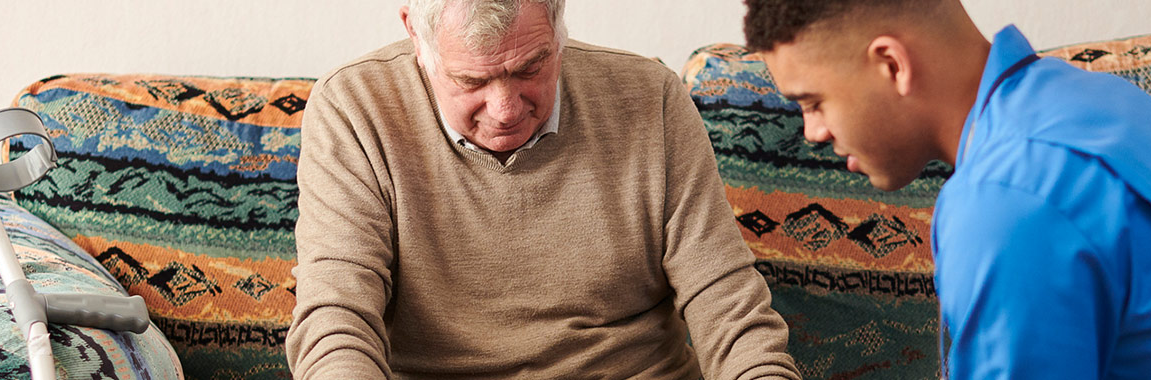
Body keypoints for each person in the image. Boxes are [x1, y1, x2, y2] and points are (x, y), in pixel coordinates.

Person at [741, 0, 1151, 378]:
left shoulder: (1008, 196)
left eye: (813, 102)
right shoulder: (1089, 101)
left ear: (892, 64)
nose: (812, 132)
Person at [286, 0, 801, 378]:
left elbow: (726, 303)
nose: (506, 109)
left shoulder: (651, 99)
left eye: (531, 67)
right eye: (472, 81)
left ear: (560, 28)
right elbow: (337, 316)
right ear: (416, 39)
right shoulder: (354, 109)